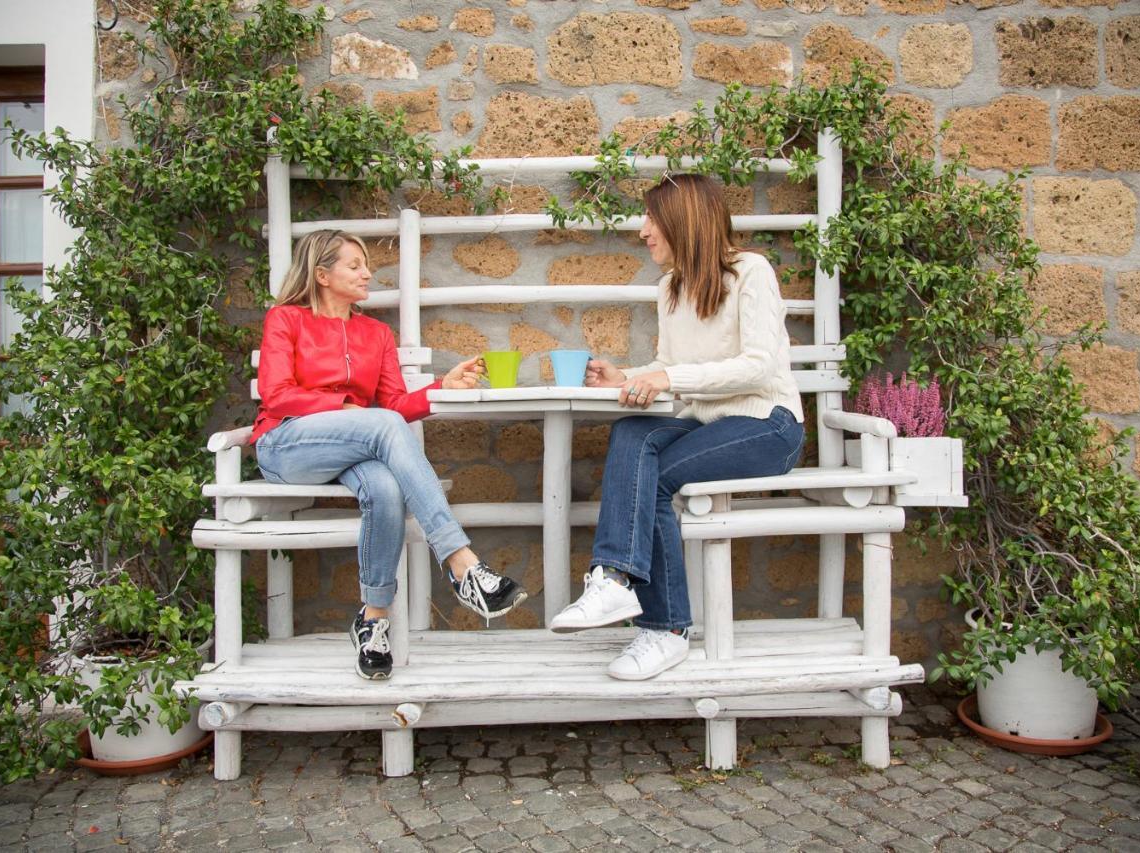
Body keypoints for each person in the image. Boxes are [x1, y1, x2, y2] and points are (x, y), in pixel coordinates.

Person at [549, 174, 805, 681]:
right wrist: (632, 377)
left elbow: (757, 365)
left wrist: (665, 375)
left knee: (657, 476)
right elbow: (672, 370)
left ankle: (663, 628)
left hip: (767, 424)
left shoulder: (751, 272)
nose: (643, 231)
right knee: (630, 432)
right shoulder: (669, 287)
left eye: (652, 219)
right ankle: (613, 580)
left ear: (682, 222)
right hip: (706, 423)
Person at [251, 230, 526, 681]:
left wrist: (441, 388)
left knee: (384, 485)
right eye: (354, 265)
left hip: (354, 449)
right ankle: (462, 563)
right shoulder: (286, 319)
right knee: (379, 426)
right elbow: (277, 395)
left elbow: (394, 409)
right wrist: (348, 410)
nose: (367, 273)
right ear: (322, 274)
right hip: (288, 446)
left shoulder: (375, 334)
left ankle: (373, 619)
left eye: (366, 265)